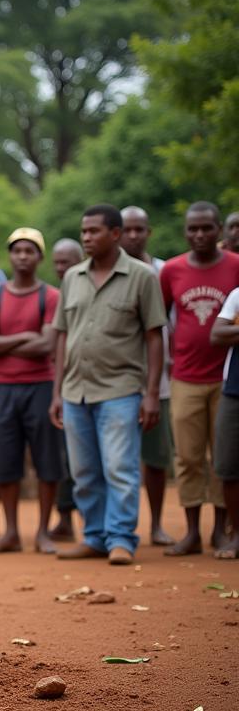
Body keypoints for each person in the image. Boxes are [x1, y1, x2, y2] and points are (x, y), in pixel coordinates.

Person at [50, 204, 166, 566]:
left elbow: (154, 336)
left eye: (93, 231)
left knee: (120, 467)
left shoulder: (142, 276)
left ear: (115, 234)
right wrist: (56, 392)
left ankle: (120, 538)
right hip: (75, 391)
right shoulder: (72, 277)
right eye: (83, 231)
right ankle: (95, 536)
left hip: (120, 390)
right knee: (84, 471)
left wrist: (151, 394)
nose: (86, 237)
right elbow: (61, 335)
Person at [0, 229, 63, 554]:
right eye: (17, 250)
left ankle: (43, 532)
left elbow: (48, 344)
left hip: (41, 385)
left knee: (47, 461)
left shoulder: (50, 296)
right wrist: (27, 337)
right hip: (2, 389)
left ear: (40, 257)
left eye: (30, 251)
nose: (23, 256)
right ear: (9, 256)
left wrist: (6, 343)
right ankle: (10, 532)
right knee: (4, 462)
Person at [159, 201, 239, 555]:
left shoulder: (236, 266)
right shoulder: (172, 270)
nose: (200, 234)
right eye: (193, 229)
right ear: (185, 232)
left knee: (223, 457)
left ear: (219, 230)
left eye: (207, 228)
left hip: (227, 378)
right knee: (188, 457)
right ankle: (191, 532)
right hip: (185, 376)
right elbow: (160, 320)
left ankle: (221, 530)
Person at [120, 206, 176, 546]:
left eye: (140, 229)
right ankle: (120, 529)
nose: (134, 235)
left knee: (155, 458)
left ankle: (156, 524)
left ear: (148, 232)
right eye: (128, 229)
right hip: (118, 381)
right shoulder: (103, 271)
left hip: (161, 381)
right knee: (118, 461)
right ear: (117, 232)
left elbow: (171, 326)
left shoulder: (164, 271)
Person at [50, 237, 84, 540]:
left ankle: (94, 526)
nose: (61, 268)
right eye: (57, 263)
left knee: (93, 463)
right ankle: (64, 519)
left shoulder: (83, 289)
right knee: (64, 459)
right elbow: (53, 340)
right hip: (65, 387)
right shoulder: (60, 295)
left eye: (67, 262)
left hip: (96, 386)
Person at [210, 286, 239, 558]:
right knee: (228, 466)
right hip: (234, 391)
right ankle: (237, 535)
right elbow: (217, 334)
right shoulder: (237, 295)